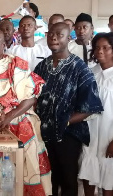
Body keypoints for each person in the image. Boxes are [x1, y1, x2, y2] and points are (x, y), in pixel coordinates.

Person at [0, 29, 52, 195]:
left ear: (3, 46)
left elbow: (30, 98)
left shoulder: (16, 65)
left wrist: (8, 117)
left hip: (18, 122)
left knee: (23, 171)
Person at [34, 22, 103, 196]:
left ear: (68, 38)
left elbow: (91, 106)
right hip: (43, 133)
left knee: (68, 181)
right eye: (51, 34)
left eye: (59, 34)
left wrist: (65, 121)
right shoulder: (41, 67)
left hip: (68, 135)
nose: (54, 38)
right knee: (48, 179)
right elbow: (32, 97)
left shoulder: (80, 68)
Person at [79, 32, 113, 196]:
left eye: (106, 48)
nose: (100, 51)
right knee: (88, 167)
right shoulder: (91, 72)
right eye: (97, 47)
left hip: (109, 132)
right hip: (90, 130)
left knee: (108, 173)